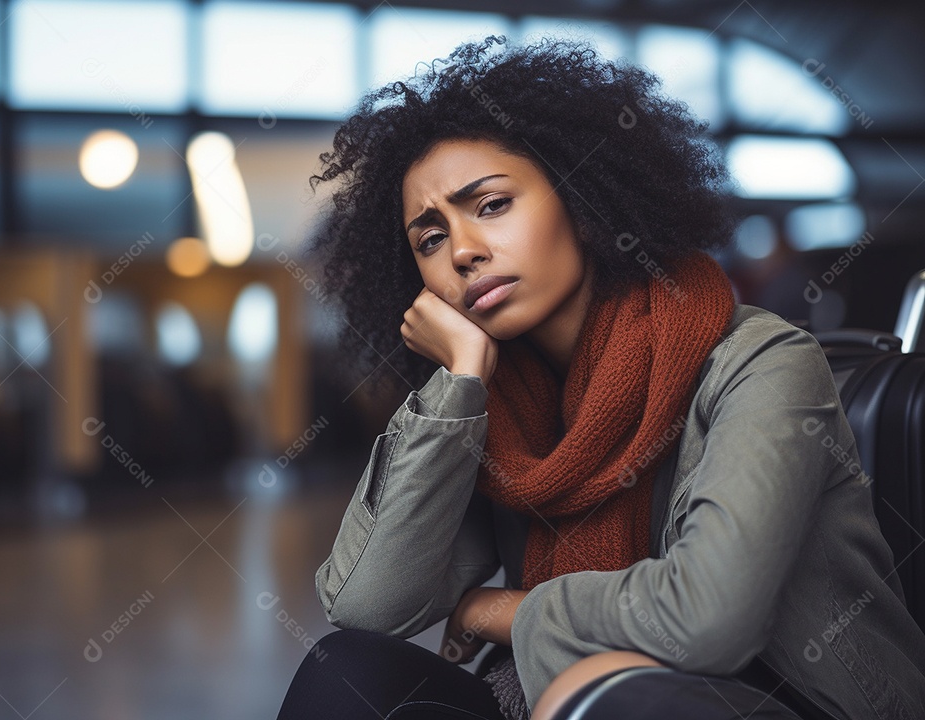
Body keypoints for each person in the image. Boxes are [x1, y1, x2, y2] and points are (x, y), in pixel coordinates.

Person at [276, 37, 925, 720]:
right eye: (430, 239)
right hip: (570, 691)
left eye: (491, 204)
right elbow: (368, 606)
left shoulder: (762, 362)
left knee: (613, 695)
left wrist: (500, 609)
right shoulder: (492, 407)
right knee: (348, 671)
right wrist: (458, 382)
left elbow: (708, 620)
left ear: (582, 203)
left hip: (772, 701)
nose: (463, 251)